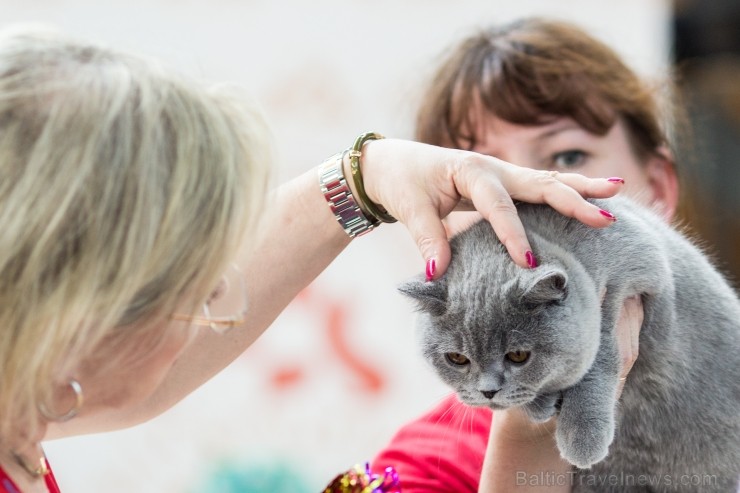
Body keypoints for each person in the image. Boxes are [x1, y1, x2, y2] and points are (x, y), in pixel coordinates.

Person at [0, 25, 625, 493]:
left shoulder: (23, 416)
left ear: (662, 179)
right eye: (192, 266)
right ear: (75, 287)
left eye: (569, 160)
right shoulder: (438, 456)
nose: (515, 202)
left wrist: (362, 179)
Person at [370, 18, 681, 492]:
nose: (522, 197)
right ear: (433, 221)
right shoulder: (421, 468)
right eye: (472, 179)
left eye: (567, 157)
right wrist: (529, 441)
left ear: (656, 190)